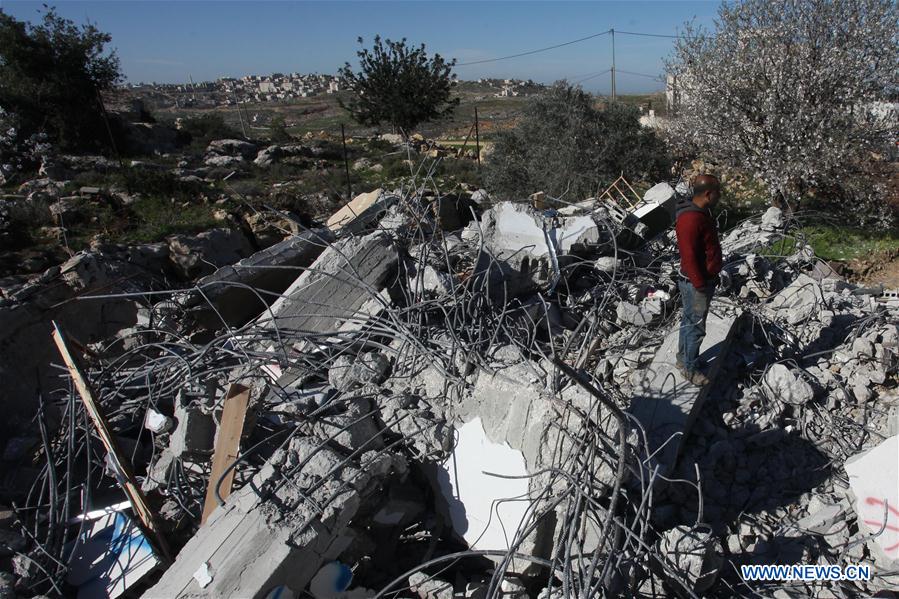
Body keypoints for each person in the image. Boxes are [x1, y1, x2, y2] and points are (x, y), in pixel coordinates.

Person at [675, 174, 723, 386]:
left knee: (689, 321)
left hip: (696, 280)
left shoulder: (699, 213)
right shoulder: (690, 219)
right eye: (717, 193)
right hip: (696, 283)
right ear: (708, 194)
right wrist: (700, 285)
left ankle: (683, 359)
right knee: (696, 326)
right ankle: (690, 369)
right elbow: (689, 255)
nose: (719, 197)